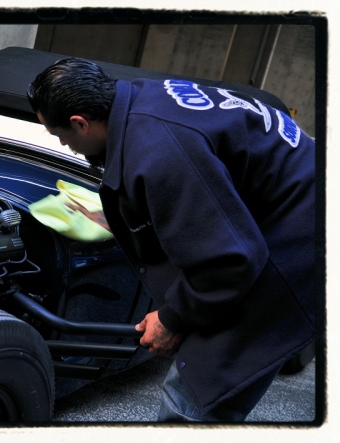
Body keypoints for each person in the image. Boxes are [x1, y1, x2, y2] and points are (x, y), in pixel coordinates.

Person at [27, 57, 316, 422]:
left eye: (59, 135)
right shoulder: (143, 96)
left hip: (302, 237)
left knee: (197, 390)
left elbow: (228, 262)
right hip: (288, 204)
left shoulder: (160, 152)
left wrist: (172, 318)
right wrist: (122, 218)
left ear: (80, 122)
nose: (63, 144)